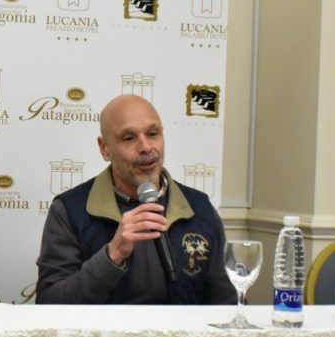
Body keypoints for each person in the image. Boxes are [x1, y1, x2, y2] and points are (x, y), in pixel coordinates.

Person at [36, 94, 235, 304]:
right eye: (129, 138)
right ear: (104, 148)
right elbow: (49, 302)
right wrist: (112, 255)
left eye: (153, 134)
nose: (146, 147)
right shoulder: (69, 210)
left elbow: (228, 301)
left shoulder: (199, 207)